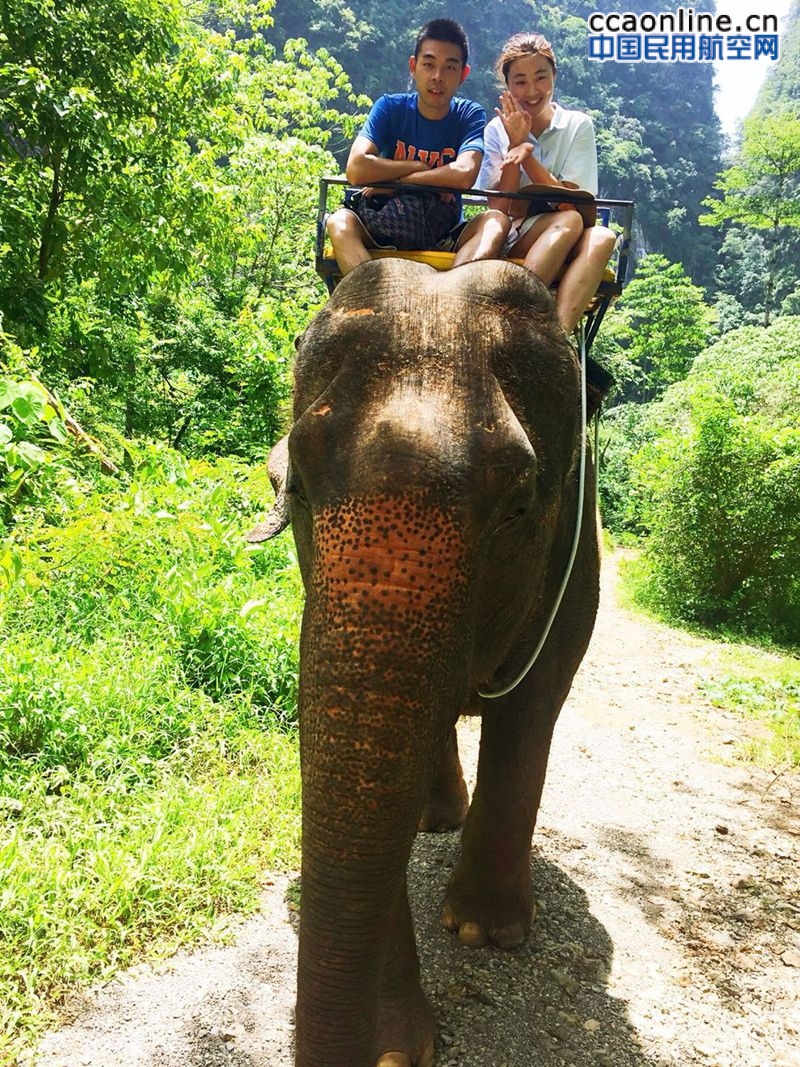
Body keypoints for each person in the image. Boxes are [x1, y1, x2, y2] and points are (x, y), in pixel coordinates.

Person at [326, 18, 509, 273]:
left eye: (449, 68)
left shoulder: (468, 114)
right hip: (386, 226)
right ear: (414, 66)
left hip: (443, 234)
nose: (437, 76)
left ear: (463, 74)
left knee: (496, 221)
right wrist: (417, 164)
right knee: (339, 222)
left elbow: (465, 173)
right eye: (429, 64)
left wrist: (401, 181)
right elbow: (356, 168)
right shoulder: (390, 108)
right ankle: (375, 301)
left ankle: (455, 293)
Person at [477, 32, 618, 336]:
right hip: (517, 231)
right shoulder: (495, 131)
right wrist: (515, 144)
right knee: (567, 220)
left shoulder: (577, 125)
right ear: (507, 87)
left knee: (605, 237)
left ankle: (557, 336)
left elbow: (571, 198)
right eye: (520, 81)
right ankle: (518, 311)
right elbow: (501, 208)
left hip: (567, 228)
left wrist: (526, 154)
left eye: (541, 77)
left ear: (554, 76)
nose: (531, 91)